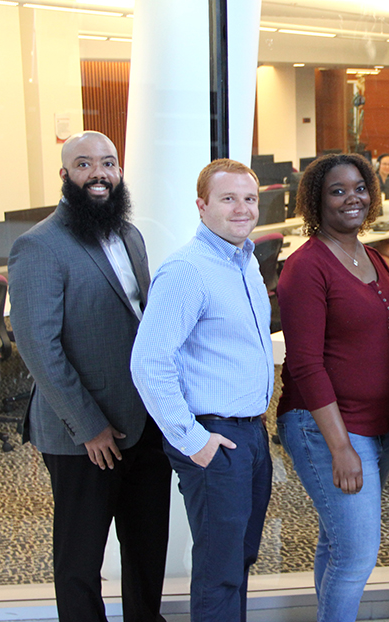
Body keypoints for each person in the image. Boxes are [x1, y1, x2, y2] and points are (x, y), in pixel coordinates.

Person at [8, 131, 170, 622]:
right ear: (65, 176)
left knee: (147, 546)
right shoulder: (38, 246)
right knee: (81, 557)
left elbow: (142, 322)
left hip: (143, 420)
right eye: (84, 164)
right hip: (84, 434)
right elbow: (39, 348)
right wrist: (90, 425)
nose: (98, 173)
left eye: (108, 163)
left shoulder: (130, 235)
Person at [130, 159, 274, 622]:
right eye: (228, 198)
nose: (242, 209)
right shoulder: (187, 270)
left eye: (249, 199)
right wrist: (194, 441)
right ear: (201, 205)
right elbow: (148, 362)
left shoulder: (245, 262)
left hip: (250, 435)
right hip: (216, 438)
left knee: (240, 560)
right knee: (220, 572)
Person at [274, 153, 389, 622]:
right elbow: (306, 366)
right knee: (356, 556)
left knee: (338, 543)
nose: (352, 198)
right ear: (316, 200)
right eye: (337, 190)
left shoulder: (370, 255)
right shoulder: (306, 267)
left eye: (359, 188)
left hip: (376, 425)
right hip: (327, 428)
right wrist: (340, 447)